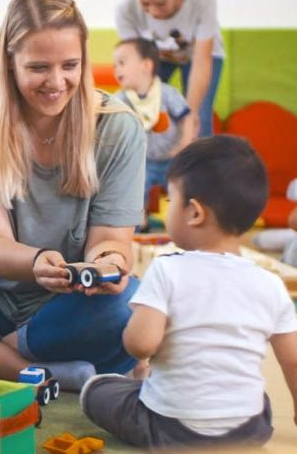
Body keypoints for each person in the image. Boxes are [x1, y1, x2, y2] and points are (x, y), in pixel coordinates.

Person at [0, 0, 146, 388]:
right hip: (2, 295)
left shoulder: (118, 127)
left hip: (80, 305)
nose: (57, 82)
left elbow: (112, 241)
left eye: (70, 65)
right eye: (39, 68)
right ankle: (32, 367)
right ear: (10, 63)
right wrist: (37, 261)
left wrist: (107, 264)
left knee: (131, 305)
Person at [81, 135, 297, 449]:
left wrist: (135, 332)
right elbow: (292, 361)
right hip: (249, 426)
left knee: (96, 390)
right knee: (254, 392)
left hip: (172, 428)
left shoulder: (168, 269)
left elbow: (141, 345)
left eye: (170, 199)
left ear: (194, 213)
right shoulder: (271, 284)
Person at [116, 0, 224, 138]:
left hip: (199, 56)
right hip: (155, 58)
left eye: (161, 4)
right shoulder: (125, 7)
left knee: (199, 118)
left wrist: (191, 114)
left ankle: (199, 163)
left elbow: (202, 62)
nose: (154, 12)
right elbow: (134, 61)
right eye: (145, 4)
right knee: (140, 108)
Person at [113, 37, 196, 229]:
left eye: (122, 63)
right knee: (134, 189)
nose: (116, 69)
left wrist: (184, 144)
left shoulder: (166, 94)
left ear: (146, 65)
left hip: (171, 159)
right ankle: (137, 224)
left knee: (180, 191)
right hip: (143, 160)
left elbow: (187, 117)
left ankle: (184, 224)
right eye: (115, 64)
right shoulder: (122, 98)